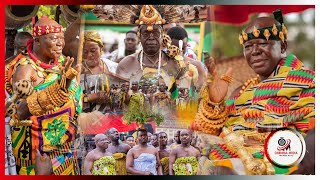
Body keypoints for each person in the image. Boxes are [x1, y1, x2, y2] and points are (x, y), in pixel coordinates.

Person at [194, 9, 315, 175]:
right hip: (229, 158)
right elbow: (209, 130)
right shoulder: (241, 91)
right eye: (248, 46)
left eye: (263, 43)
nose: (255, 51)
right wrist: (214, 103)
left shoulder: (309, 82)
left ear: (283, 46)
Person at [5, 17, 82, 175]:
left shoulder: (60, 62)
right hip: (39, 158)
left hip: (65, 151)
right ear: (37, 41)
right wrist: (57, 89)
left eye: (61, 38)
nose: (60, 43)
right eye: (54, 38)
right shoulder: (25, 70)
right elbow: (18, 113)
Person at [116, 6, 206, 91]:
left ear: (163, 35)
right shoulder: (126, 65)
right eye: (146, 33)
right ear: (139, 36)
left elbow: (197, 71)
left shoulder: (177, 62)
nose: (151, 37)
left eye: (155, 33)